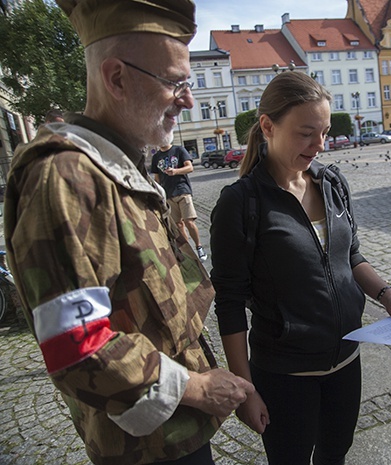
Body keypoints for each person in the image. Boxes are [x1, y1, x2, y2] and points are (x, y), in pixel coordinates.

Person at [3, 1, 254, 464]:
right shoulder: (66, 178)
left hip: (175, 433)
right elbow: (76, 344)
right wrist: (197, 386)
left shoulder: (118, 165)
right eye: (175, 83)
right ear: (116, 78)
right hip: (146, 449)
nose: (189, 100)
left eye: (189, 84)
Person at [209, 71, 391, 465]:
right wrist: (246, 386)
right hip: (285, 376)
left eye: (323, 132)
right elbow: (229, 301)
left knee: (334, 455)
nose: (319, 145)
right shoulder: (241, 203)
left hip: (346, 360)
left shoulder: (331, 182)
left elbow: (352, 255)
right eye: (306, 133)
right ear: (268, 126)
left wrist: (387, 295)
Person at [151, 142, 207, 261]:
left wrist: (175, 171)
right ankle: (188, 251)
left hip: (182, 191)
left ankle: (199, 246)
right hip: (168, 194)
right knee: (178, 225)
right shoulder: (156, 157)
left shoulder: (179, 150)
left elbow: (190, 167)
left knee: (189, 221)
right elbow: (157, 178)